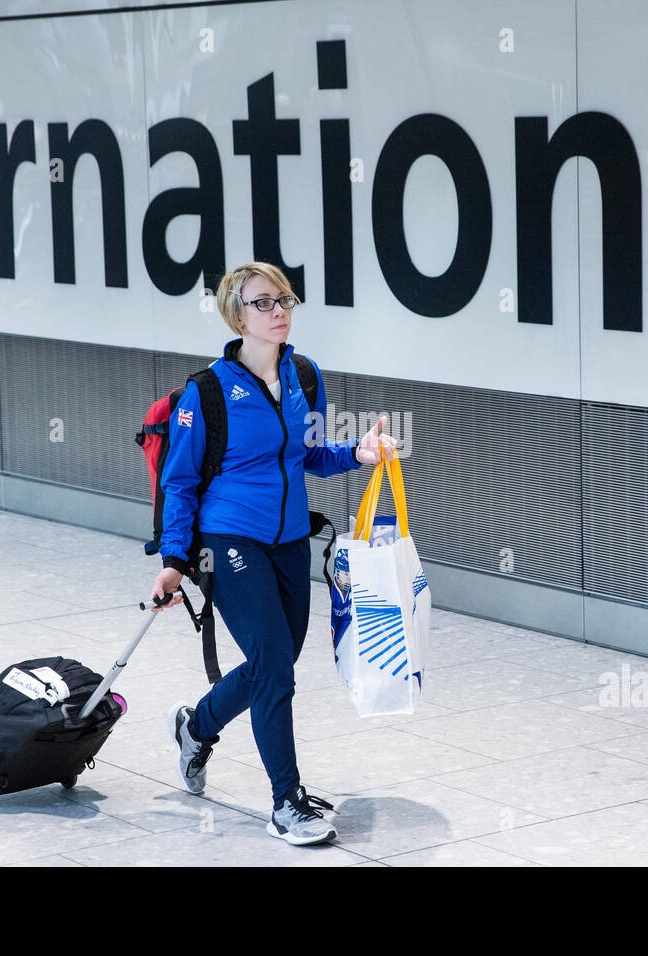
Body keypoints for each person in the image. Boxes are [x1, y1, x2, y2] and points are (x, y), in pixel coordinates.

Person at [148, 261, 399, 846]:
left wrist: (356, 454)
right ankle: (286, 802)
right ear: (238, 315)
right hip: (230, 538)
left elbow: (307, 454)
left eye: (284, 299)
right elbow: (181, 483)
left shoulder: (304, 376)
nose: (280, 310)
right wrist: (173, 559)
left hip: (289, 540)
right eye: (264, 302)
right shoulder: (205, 393)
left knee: (274, 665)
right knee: (274, 668)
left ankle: (195, 727)